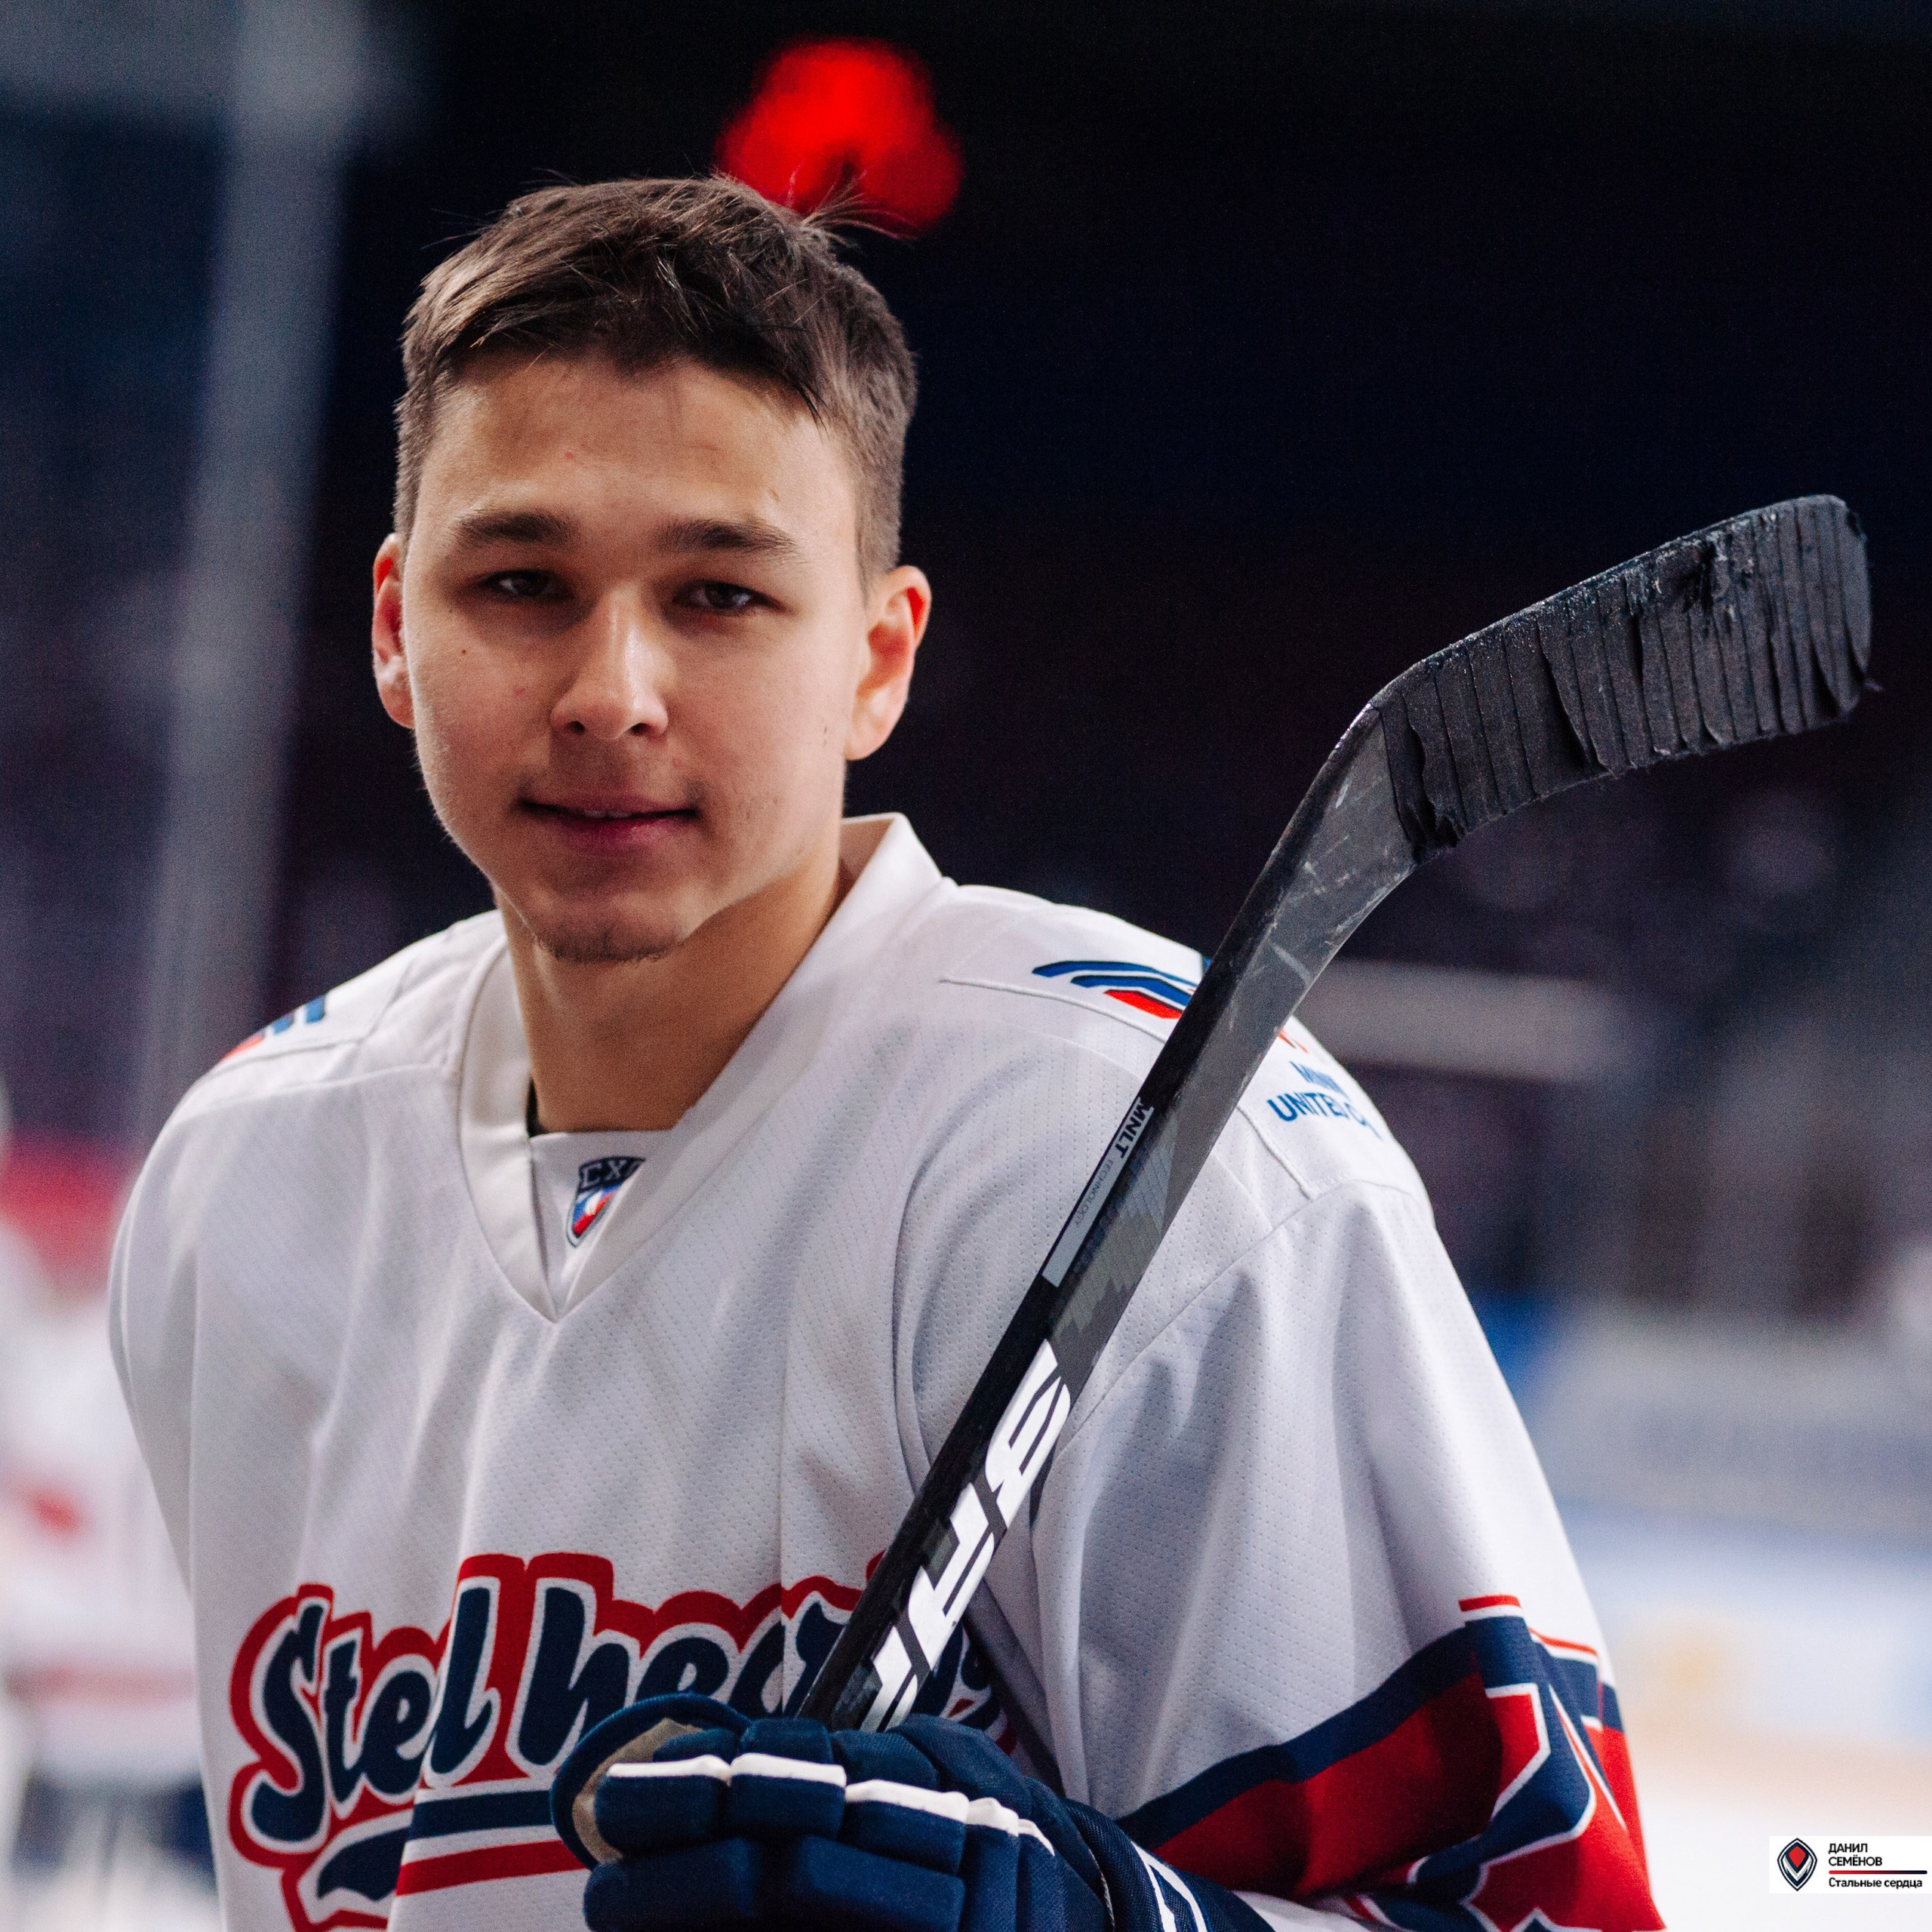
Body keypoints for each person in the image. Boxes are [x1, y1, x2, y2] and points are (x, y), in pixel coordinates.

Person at [110, 177, 1662, 1932]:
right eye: (523, 581)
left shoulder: (1157, 1161)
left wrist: (1102, 1920)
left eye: (716, 596)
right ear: (397, 623)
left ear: (876, 655)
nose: (610, 688)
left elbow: (1541, 1908)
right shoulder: (244, 1179)